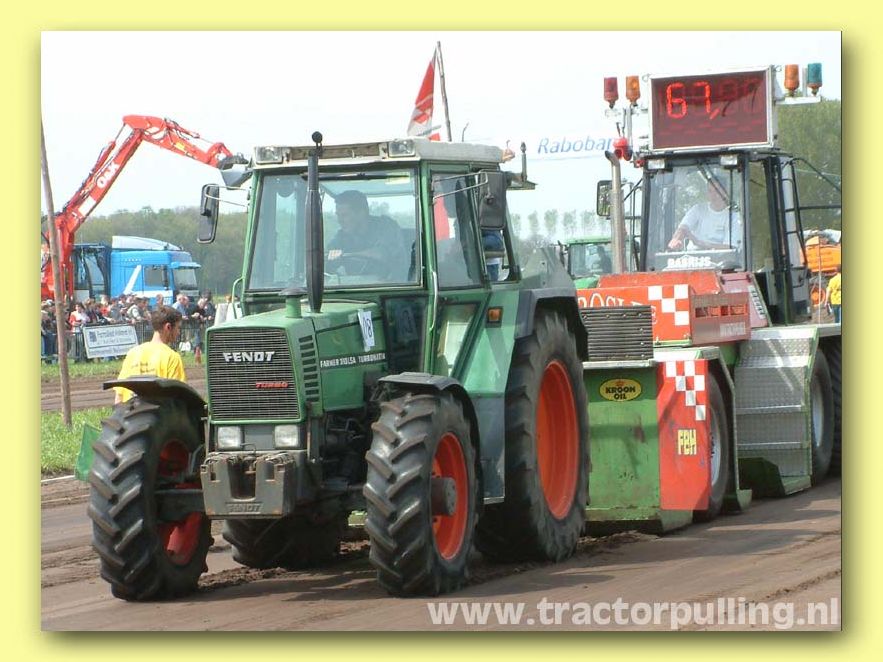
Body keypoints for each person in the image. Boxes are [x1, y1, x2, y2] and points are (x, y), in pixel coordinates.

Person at [113, 306, 186, 404]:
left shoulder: (133, 353)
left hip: (130, 411)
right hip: (157, 412)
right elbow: (177, 396)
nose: (178, 332)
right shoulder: (172, 357)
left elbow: (119, 395)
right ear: (168, 327)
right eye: (178, 328)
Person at [326, 190, 404, 279]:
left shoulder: (385, 226)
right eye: (338, 215)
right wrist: (332, 261)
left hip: (393, 285)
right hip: (357, 285)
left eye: (345, 215)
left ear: (361, 213)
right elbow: (328, 257)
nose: (340, 221)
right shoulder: (341, 236)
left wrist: (346, 255)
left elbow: (382, 254)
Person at [668, 179, 743, 251]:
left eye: (717, 190)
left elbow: (730, 248)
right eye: (710, 191)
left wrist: (700, 243)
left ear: (725, 192)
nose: (713, 195)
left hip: (721, 259)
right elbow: (683, 227)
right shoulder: (698, 209)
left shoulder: (734, 217)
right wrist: (676, 239)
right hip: (692, 257)